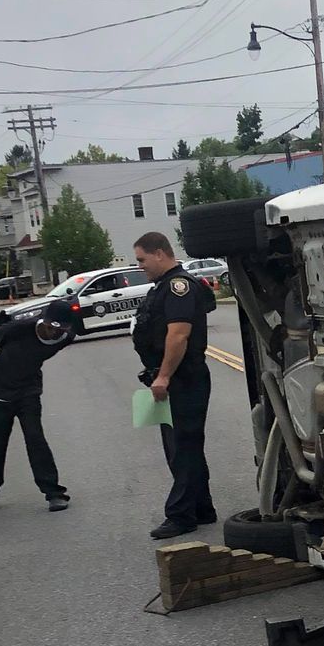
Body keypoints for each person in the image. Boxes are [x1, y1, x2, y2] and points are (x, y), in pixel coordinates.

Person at [132, 231, 218, 540]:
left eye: (142, 259)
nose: (140, 265)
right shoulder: (163, 287)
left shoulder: (177, 287)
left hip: (184, 378)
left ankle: (181, 515)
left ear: (159, 253)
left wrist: (164, 376)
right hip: (178, 377)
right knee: (186, 445)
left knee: (182, 447)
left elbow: (178, 335)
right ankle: (202, 507)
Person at [0, 300, 77, 511]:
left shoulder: (65, 338)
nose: (54, 334)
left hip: (27, 391)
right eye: (51, 328)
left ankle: (53, 493)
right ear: (44, 321)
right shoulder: (19, 329)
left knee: (35, 439)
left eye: (61, 330)